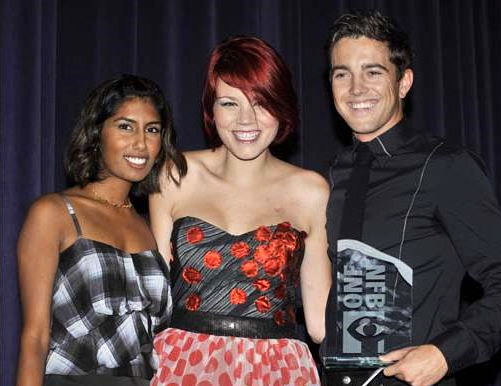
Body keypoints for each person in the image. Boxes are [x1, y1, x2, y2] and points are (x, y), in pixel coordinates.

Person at [322, 9, 501, 386]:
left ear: (404, 82)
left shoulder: (446, 166)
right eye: (341, 73)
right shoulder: (332, 175)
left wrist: (446, 353)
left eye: (373, 72)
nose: (356, 88)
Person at [149, 36, 331, 386]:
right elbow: (155, 298)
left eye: (261, 103)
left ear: (283, 108)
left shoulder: (311, 191)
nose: (246, 119)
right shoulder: (175, 174)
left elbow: (321, 324)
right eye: (230, 103)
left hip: (278, 370)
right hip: (183, 365)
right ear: (211, 109)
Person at [16, 74, 187, 386]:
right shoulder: (54, 213)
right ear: (96, 133)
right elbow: (35, 338)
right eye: (125, 126)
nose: (141, 142)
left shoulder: (149, 227)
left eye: (152, 130)